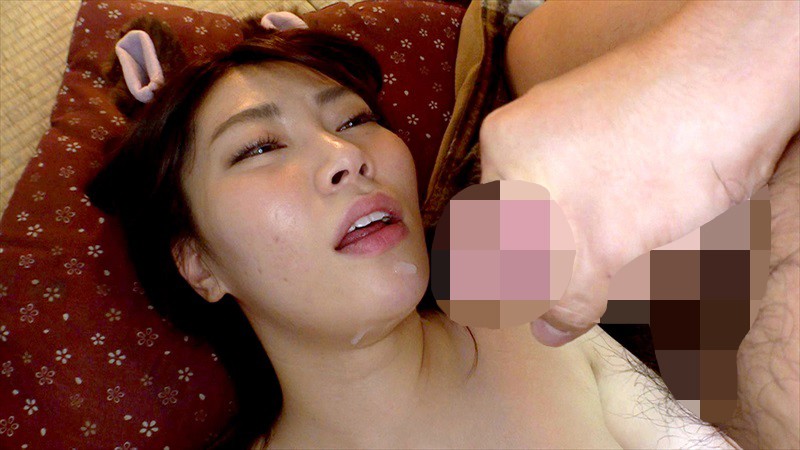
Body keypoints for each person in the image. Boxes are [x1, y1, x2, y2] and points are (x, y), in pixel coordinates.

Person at [87, 2, 799, 448]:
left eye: (354, 120)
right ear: (197, 263)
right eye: (259, 148)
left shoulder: (516, 292)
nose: (346, 157)